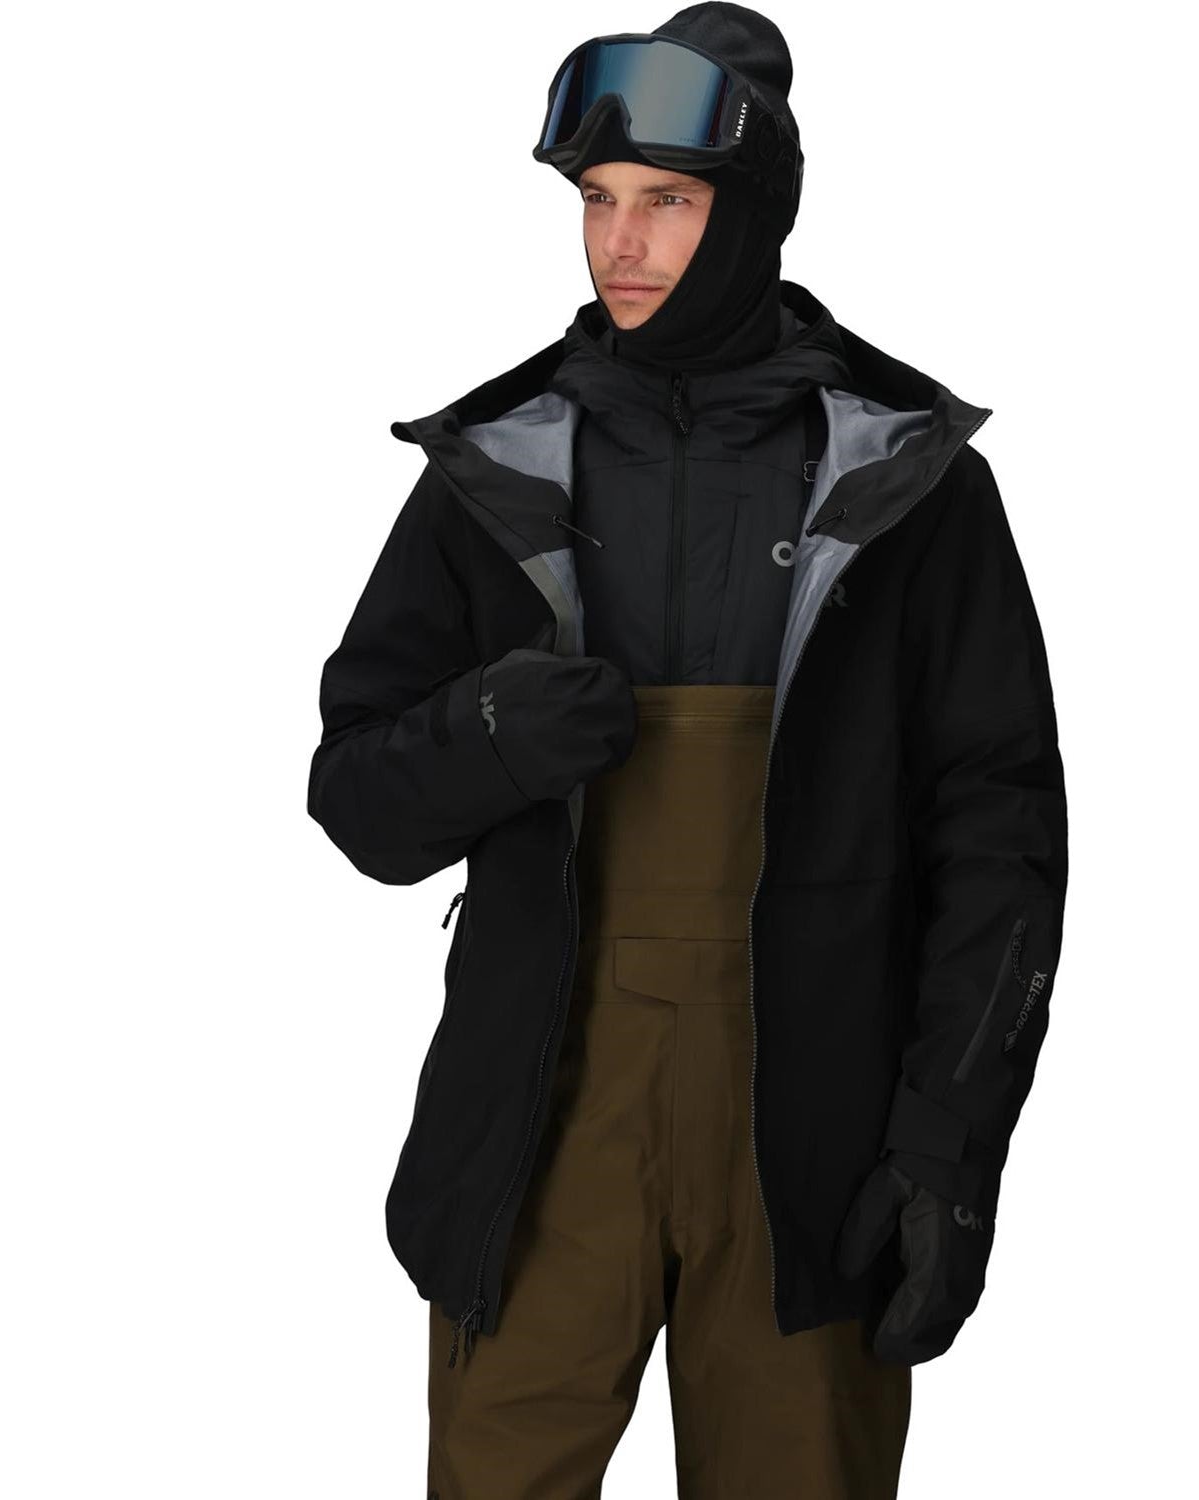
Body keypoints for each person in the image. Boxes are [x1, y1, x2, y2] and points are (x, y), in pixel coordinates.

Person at [306, 4, 1068, 1495]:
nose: (621, 244)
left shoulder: (908, 485)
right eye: (597, 202)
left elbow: (1001, 841)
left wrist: (947, 1145)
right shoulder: (494, 472)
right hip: (541, 1131)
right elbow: (357, 802)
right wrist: (489, 736)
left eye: (667, 199)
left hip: (813, 1148)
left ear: (754, 210)